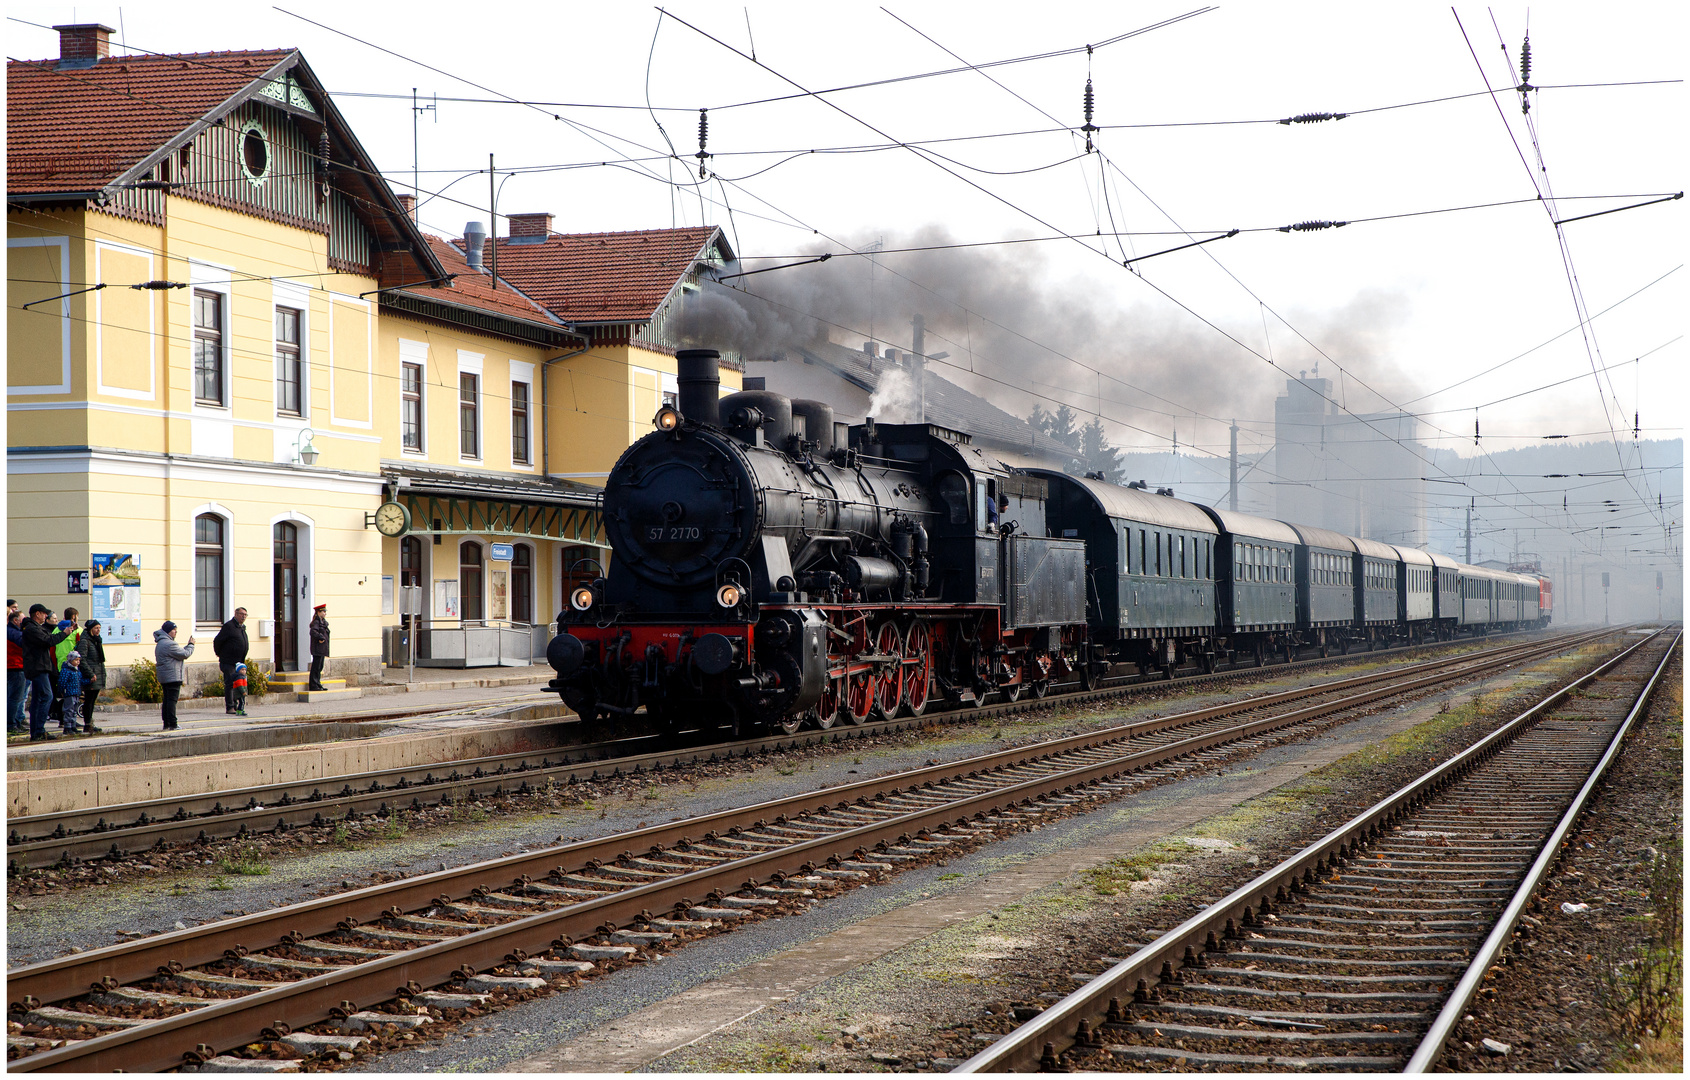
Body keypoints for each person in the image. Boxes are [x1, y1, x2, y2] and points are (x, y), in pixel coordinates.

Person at [21, 604, 70, 741]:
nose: (45, 616)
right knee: (46, 696)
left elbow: (48, 636)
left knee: (38, 699)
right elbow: (48, 640)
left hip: (39, 666)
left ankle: (36, 732)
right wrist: (64, 633)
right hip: (38, 667)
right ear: (37, 614)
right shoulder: (31, 629)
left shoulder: (35, 628)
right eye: (44, 614)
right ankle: (39, 730)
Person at [154, 621, 194, 732]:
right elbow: (185, 654)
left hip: (165, 676)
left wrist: (187, 646)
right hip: (172, 676)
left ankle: (166, 723)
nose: (175, 632)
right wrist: (191, 645)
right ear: (167, 631)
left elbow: (180, 652)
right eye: (173, 630)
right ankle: (173, 723)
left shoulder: (161, 643)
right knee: (172, 701)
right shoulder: (170, 644)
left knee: (167, 700)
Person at [212, 607, 250, 716]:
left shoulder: (241, 627)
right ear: (236, 614)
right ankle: (230, 707)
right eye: (241, 614)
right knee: (230, 684)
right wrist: (220, 654)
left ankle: (237, 706)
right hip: (228, 661)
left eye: (245, 615)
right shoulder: (229, 626)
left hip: (238, 663)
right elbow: (217, 641)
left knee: (238, 684)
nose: (243, 616)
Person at [78, 619, 106, 735]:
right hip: (91, 675)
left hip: (98, 673)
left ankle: (90, 723)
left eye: (99, 628)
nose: (98, 630)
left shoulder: (96, 641)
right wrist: (90, 674)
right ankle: (87, 723)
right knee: (89, 700)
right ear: (90, 629)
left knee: (92, 700)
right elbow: (82, 659)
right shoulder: (85, 641)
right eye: (96, 628)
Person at [7, 611, 27, 734]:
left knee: (16, 697)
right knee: (16, 698)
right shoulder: (14, 633)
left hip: (15, 666)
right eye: (22, 620)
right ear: (15, 620)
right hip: (15, 666)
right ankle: (11, 724)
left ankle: (14, 722)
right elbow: (22, 644)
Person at [57, 652, 84, 736]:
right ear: (70, 660)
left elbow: (80, 681)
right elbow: (62, 682)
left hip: (76, 693)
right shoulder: (66, 670)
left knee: (75, 710)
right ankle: (67, 727)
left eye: (79, 660)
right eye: (76, 660)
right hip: (69, 693)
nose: (78, 662)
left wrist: (88, 681)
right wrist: (61, 691)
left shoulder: (76, 670)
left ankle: (73, 725)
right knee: (69, 710)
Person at [307, 603, 330, 691]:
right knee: (316, 667)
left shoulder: (323, 622)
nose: (325, 613)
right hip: (317, 648)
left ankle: (317, 683)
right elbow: (313, 632)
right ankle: (313, 685)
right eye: (323, 611)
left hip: (322, 648)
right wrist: (321, 637)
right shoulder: (316, 622)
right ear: (318, 612)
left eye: (325, 611)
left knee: (320, 667)